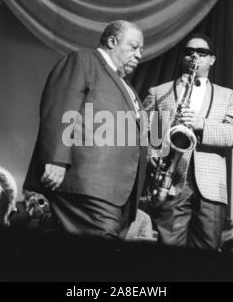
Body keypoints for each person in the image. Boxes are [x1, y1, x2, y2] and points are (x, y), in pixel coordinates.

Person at [24, 20, 148, 239]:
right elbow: (61, 106)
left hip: (114, 194)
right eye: (134, 47)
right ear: (112, 41)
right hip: (87, 186)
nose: (139, 54)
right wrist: (56, 160)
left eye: (141, 50)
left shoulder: (126, 85)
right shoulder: (83, 61)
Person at [143, 33, 233, 250]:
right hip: (170, 181)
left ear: (212, 59)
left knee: (206, 260)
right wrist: (151, 153)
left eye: (201, 52)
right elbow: (146, 133)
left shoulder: (229, 96)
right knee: (169, 256)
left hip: (210, 188)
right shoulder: (159, 92)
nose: (194, 56)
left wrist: (201, 124)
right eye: (189, 52)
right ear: (182, 58)